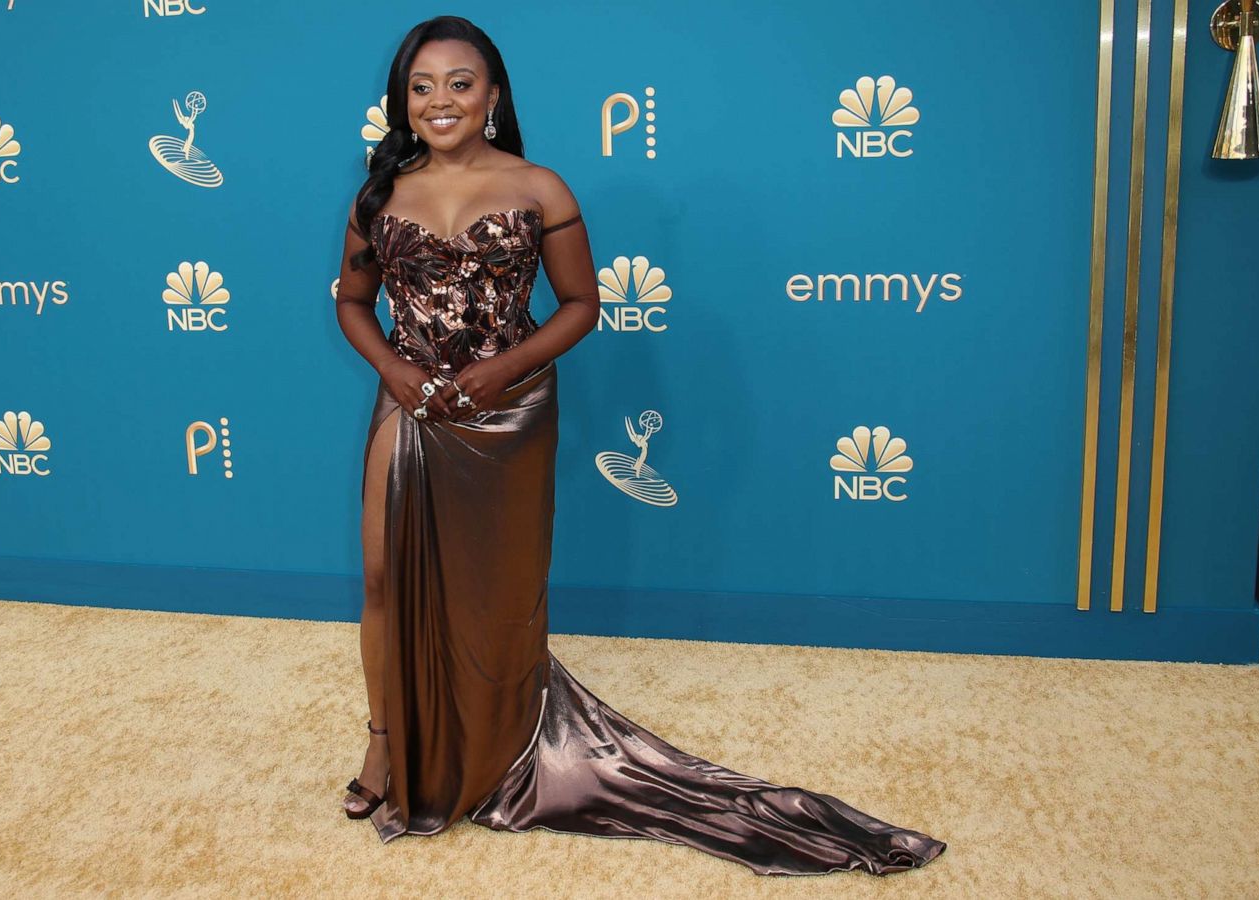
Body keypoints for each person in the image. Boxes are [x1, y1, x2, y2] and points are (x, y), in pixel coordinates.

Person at [332, 15, 947, 876]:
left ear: (494, 96)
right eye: (422, 86)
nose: (441, 100)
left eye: (461, 83)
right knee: (385, 578)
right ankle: (384, 746)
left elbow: (581, 306)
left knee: (496, 594)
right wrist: (396, 372)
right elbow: (352, 303)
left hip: (506, 418)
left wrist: (502, 370)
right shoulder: (377, 192)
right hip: (411, 409)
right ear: (401, 101)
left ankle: (492, 751)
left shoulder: (540, 187)